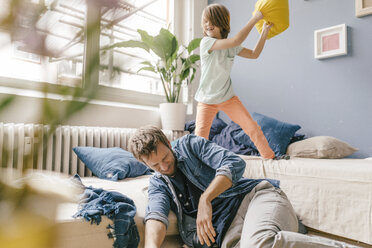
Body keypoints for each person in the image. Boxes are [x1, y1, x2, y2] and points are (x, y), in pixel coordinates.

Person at [128, 126, 359, 248]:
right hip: (229, 232)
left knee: (258, 244)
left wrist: (205, 199)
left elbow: (233, 163)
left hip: (255, 199)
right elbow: (156, 216)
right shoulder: (158, 182)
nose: (164, 166)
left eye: (166, 158)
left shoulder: (190, 145)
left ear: (169, 143)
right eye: (155, 165)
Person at [195, 3, 275, 159]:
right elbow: (237, 40)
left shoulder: (232, 46)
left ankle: (269, 157)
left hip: (227, 97)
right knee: (200, 137)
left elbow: (254, 54)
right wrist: (254, 19)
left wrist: (264, 32)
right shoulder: (206, 42)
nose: (208, 24)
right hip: (206, 100)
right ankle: (196, 164)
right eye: (205, 21)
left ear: (222, 23)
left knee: (252, 127)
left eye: (212, 21)